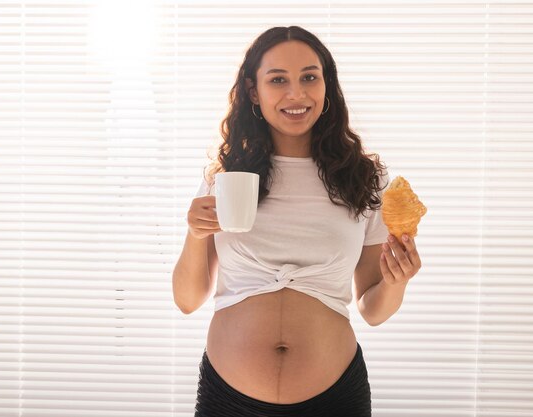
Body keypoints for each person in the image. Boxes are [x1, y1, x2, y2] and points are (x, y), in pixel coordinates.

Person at [173, 25, 422, 417]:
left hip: (335, 397)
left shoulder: (364, 177)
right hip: (229, 398)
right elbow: (187, 300)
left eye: (309, 77)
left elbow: (373, 309)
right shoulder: (225, 176)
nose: (296, 93)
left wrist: (398, 279)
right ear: (254, 91)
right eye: (278, 80)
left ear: (327, 85)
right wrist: (194, 232)